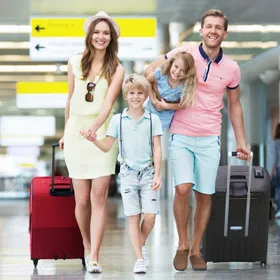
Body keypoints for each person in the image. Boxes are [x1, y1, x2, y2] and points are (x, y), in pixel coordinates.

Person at [144, 9, 251, 271]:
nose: (213, 31)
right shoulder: (185, 52)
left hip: (210, 136)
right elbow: (150, 70)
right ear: (201, 30)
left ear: (225, 33)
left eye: (218, 27)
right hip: (180, 133)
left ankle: (195, 250)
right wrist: (160, 99)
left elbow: (234, 105)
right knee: (182, 189)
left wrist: (241, 141)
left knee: (204, 194)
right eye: (209, 26)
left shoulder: (232, 69)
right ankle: (182, 245)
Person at [58, 11, 125, 273]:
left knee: (99, 196)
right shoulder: (75, 62)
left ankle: (95, 255)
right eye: (97, 32)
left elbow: (108, 104)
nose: (101, 37)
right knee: (82, 200)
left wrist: (94, 128)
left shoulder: (117, 68)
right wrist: (67, 131)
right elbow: (70, 99)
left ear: (112, 38)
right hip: (76, 133)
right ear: (89, 35)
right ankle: (86, 244)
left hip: (101, 134)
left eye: (106, 33)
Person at [90, 74, 163, 274]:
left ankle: (141, 244)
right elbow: (106, 146)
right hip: (128, 174)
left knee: (149, 216)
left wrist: (158, 174)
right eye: (132, 93)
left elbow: (157, 148)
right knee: (133, 216)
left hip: (148, 173)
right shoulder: (118, 120)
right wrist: (94, 139)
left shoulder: (152, 119)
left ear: (146, 95)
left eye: (140, 93)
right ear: (126, 95)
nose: (136, 97)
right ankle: (139, 258)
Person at [146, 51, 197, 130]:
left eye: (182, 70)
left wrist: (165, 106)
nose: (177, 72)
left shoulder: (184, 85)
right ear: (172, 63)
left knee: (157, 136)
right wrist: (153, 99)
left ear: (187, 72)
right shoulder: (161, 73)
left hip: (166, 116)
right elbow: (147, 81)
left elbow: (184, 105)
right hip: (151, 109)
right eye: (176, 66)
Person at [271, 123, 280, 218]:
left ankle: (279, 210)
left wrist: (272, 171)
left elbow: (274, 158)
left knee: (278, 189)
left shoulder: (275, 142)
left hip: (279, 167)